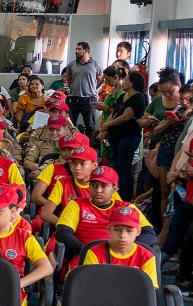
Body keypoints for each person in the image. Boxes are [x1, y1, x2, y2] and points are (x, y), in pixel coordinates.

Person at [98, 69, 147, 201]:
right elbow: (114, 114)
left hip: (129, 137)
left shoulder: (138, 97)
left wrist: (108, 126)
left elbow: (126, 116)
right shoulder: (122, 96)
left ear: (132, 83)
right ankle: (116, 194)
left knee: (123, 166)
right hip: (116, 137)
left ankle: (125, 197)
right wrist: (105, 130)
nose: (123, 82)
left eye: (126, 80)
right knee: (117, 165)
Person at [62, 42, 102, 134]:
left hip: (89, 99)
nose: (76, 51)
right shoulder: (72, 64)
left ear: (86, 51)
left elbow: (100, 79)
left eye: (79, 49)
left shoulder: (96, 64)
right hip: (73, 98)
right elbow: (69, 78)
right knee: (70, 124)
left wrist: (91, 88)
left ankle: (88, 146)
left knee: (90, 125)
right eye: (76, 49)